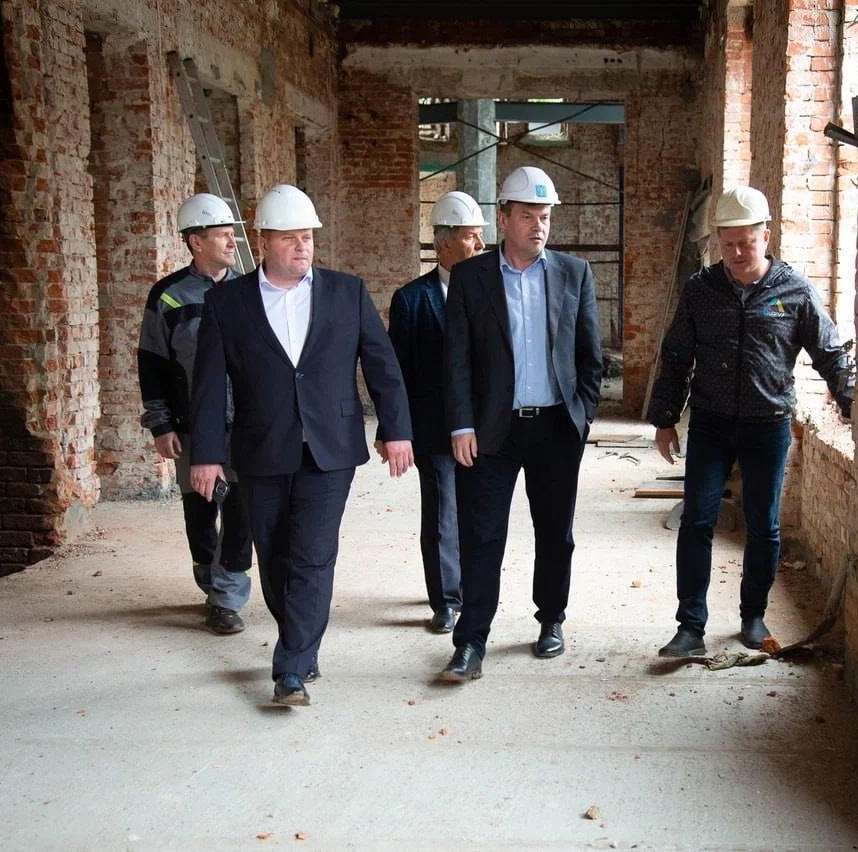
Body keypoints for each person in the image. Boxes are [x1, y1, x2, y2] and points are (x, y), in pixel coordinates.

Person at [188, 184, 414, 706]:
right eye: (290, 238)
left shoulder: (346, 292)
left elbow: (382, 365)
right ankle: (301, 642)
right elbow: (208, 386)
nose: (302, 246)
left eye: (308, 237)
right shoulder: (227, 303)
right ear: (263, 242)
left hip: (330, 447)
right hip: (261, 447)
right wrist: (206, 455)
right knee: (274, 555)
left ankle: (289, 668)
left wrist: (396, 428)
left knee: (313, 554)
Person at [649, 186, 854, 658]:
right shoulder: (701, 291)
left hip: (768, 424)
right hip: (711, 424)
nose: (738, 253)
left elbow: (830, 354)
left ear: (767, 235)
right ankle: (690, 626)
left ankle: (753, 617)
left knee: (764, 525)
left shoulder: (795, 291)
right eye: (728, 244)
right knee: (697, 520)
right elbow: (677, 356)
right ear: (718, 241)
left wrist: (853, 406)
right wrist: (664, 418)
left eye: (747, 242)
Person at [439, 166, 603, 683]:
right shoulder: (471, 278)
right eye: (528, 216)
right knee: (481, 536)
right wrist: (460, 425)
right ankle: (471, 642)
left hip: (555, 428)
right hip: (492, 431)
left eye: (545, 217)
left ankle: (551, 618)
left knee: (555, 533)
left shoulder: (574, 273)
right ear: (504, 218)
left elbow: (590, 355)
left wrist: (582, 416)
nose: (539, 226)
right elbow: (456, 359)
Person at [137, 193, 253, 635]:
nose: (231, 242)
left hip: (244, 427)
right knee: (200, 512)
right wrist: (161, 424)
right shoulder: (167, 297)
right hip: (190, 427)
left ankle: (227, 597)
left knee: (242, 511)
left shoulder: (249, 291)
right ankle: (209, 577)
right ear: (195, 241)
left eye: (231, 234)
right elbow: (152, 363)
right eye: (223, 235)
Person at [377, 191, 487, 633]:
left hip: (482, 426)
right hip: (433, 426)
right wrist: (391, 429)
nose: (480, 245)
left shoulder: (490, 292)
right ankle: (446, 600)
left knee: (476, 511)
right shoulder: (412, 299)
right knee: (442, 512)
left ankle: (474, 588)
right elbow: (396, 371)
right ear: (444, 242)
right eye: (471, 236)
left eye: (480, 236)